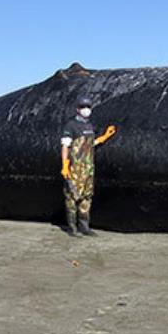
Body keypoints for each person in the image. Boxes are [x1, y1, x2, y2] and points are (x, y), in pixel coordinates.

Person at [59, 98, 117, 237]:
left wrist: (104, 137)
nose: (86, 109)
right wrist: (65, 165)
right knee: (72, 197)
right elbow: (65, 146)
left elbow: (90, 145)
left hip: (88, 167)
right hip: (75, 167)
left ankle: (84, 226)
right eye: (83, 106)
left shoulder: (90, 126)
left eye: (88, 106)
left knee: (86, 196)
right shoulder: (71, 126)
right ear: (77, 109)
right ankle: (72, 227)